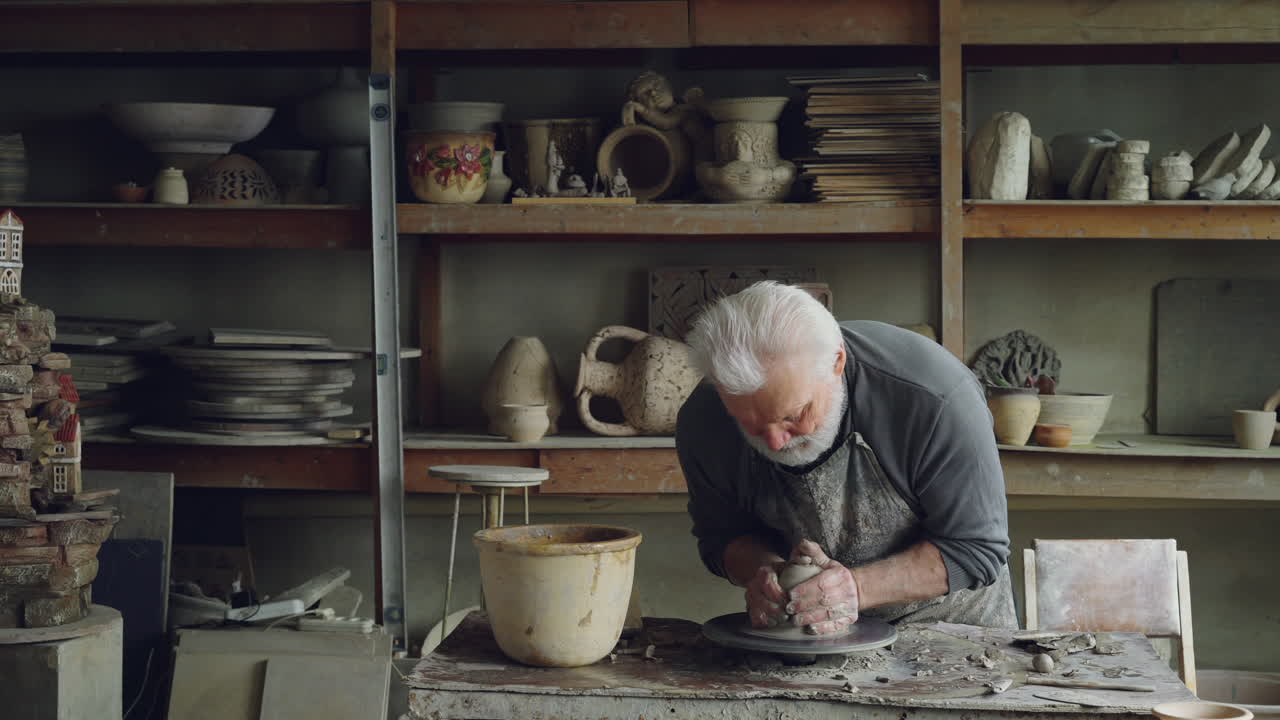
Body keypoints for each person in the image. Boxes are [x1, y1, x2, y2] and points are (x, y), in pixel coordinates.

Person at [676, 282, 1016, 635]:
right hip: (805, 634)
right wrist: (768, 573)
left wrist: (855, 588)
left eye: (794, 415)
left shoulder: (934, 398)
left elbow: (976, 548)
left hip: (954, 631)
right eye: (751, 426)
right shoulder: (704, 420)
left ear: (837, 362)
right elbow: (721, 537)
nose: (775, 443)